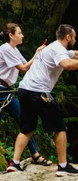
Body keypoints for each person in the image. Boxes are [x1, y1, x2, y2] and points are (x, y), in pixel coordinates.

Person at [6, 24, 78, 176]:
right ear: (68, 37)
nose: (75, 40)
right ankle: (63, 166)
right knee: (60, 127)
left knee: (27, 128)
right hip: (40, 92)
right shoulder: (58, 50)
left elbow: (73, 54)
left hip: (24, 90)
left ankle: (15, 163)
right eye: (74, 37)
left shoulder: (54, 47)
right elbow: (67, 64)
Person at [0, 23, 52, 167]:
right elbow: (23, 68)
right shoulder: (5, 48)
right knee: (25, 121)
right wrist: (36, 52)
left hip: (7, 92)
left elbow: (29, 67)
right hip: (1, 91)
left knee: (25, 122)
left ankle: (35, 155)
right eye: (20, 33)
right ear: (11, 35)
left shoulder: (14, 50)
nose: (22, 35)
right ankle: (33, 155)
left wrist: (43, 56)